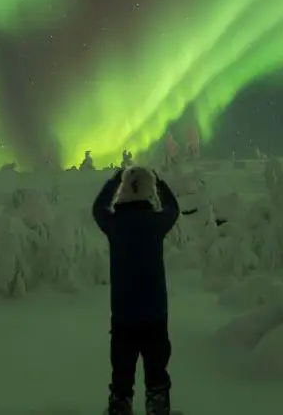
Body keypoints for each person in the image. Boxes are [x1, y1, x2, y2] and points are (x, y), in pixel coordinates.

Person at [92, 165, 180, 415]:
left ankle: (121, 406)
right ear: (149, 191)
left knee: (121, 375)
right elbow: (173, 210)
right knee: (157, 373)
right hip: (155, 313)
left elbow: (98, 209)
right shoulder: (155, 224)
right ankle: (157, 406)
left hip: (123, 315)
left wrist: (113, 181)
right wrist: (161, 182)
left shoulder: (115, 224)